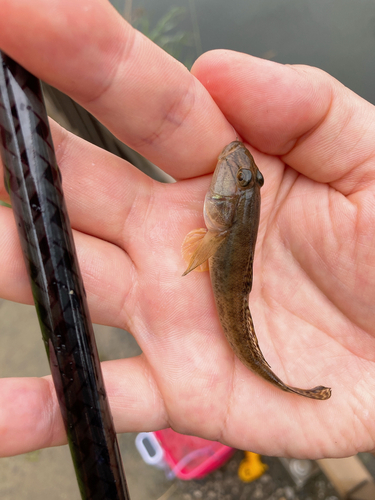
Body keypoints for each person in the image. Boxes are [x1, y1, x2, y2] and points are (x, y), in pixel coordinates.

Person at [1, 0, 375, 460]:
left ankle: (286, 384)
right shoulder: (225, 216)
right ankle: (290, 386)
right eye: (247, 179)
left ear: (229, 210)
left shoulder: (223, 222)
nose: (240, 168)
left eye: (245, 181)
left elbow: (209, 238)